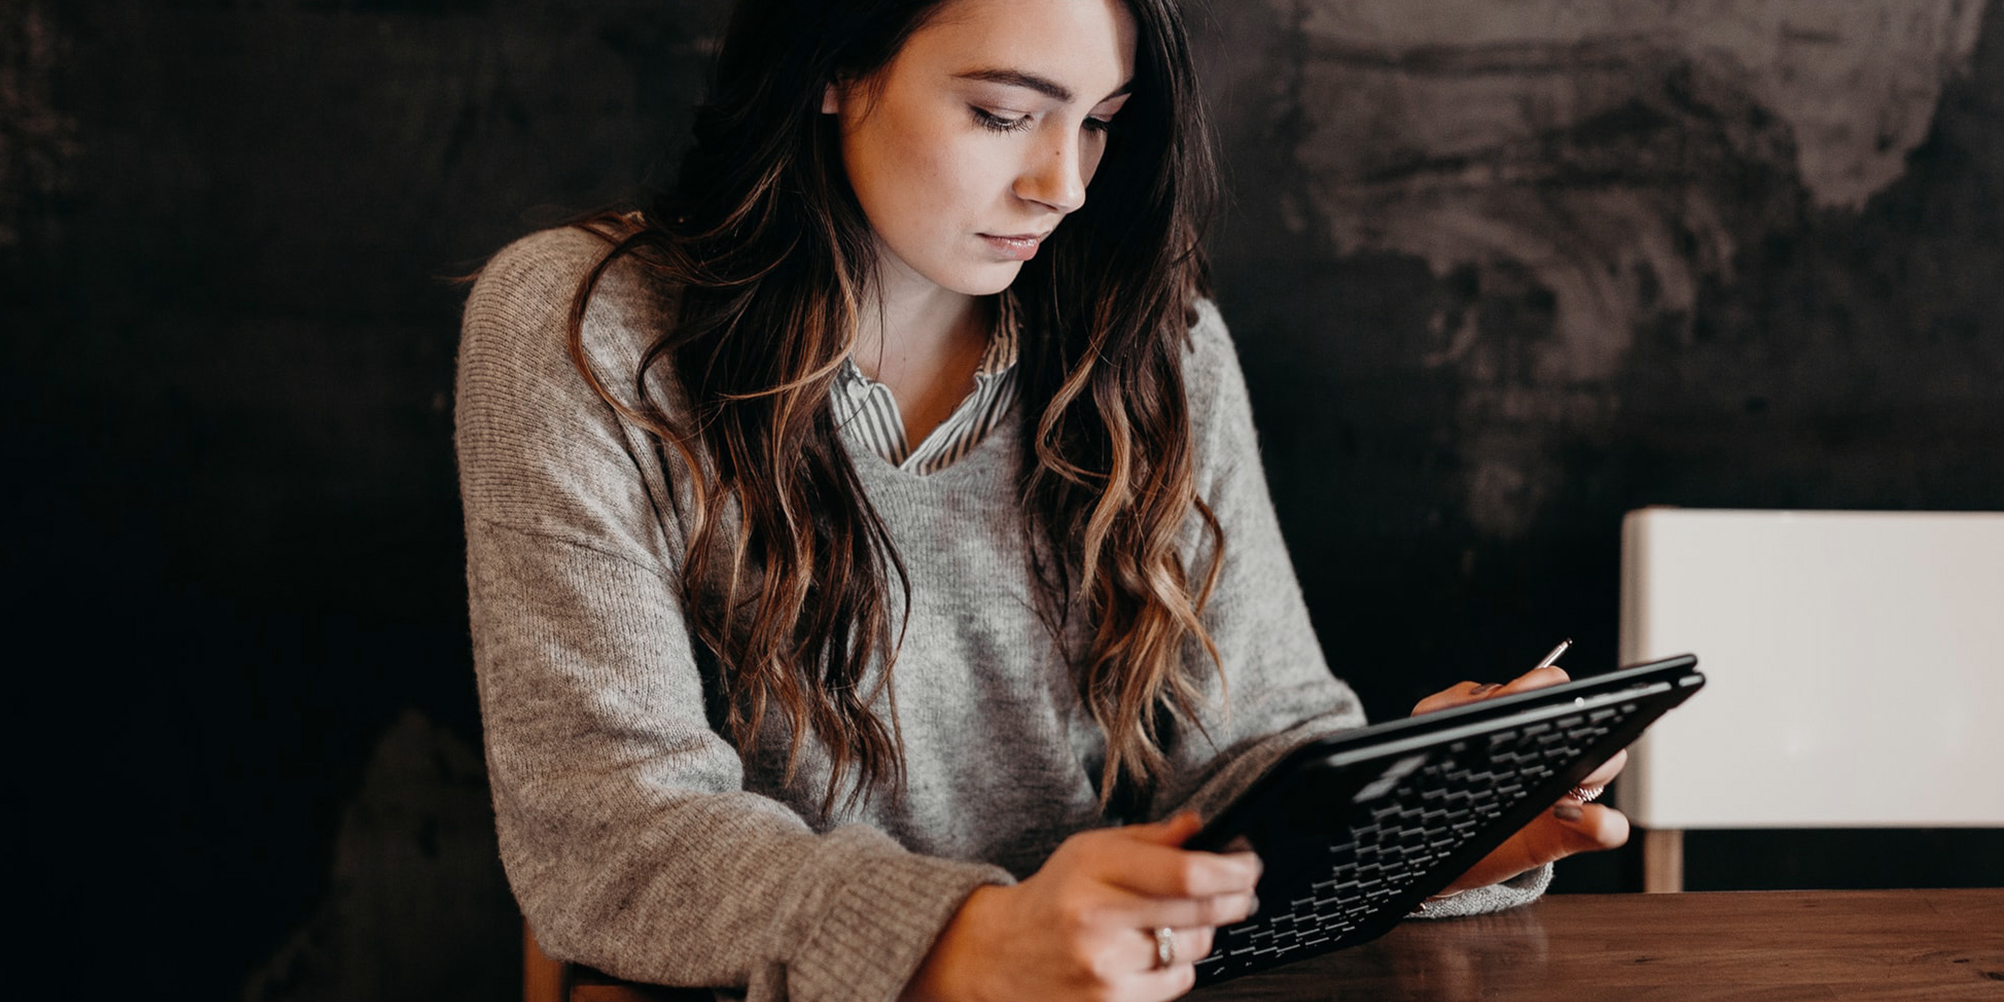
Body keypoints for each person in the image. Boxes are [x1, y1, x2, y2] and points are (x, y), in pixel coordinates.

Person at [454, 1, 1630, 999]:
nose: (1061, 185)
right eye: (1003, 115)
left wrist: (1423, 831)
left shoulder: (1159, 350)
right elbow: (609, 830)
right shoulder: (583, 329)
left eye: (1101, 125)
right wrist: (971, 941)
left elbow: (1251, 756)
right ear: (834, 66)